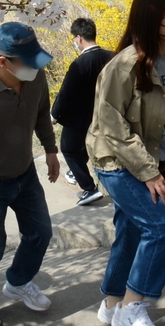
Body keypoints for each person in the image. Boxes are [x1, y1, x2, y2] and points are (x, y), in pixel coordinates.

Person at [87, 0, 165, 326]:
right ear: (151, 18)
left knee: (132, 231)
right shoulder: (125, 65)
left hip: (155, 161)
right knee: (164, 228)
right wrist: (149, 172)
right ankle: (132, 307)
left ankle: (111, 303)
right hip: (119, 162)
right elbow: (111, 125)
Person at [0, 22, 60, 326]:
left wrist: (50, 149)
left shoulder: (35, 76)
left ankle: (18, 282)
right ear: (3, 62)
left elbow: (42, 112)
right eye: (28, 60)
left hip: (26, 174)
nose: (36, 65)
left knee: (41, 232)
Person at [52, 18, 113, 206]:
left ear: (79, 38)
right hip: (107, 115)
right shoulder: (113, 57)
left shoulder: (80, 63)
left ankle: (89, 188)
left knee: (69, 149)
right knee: (85, 148)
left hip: (80, 118)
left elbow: (66, 93)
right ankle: (75, 172)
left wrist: (54, 115)